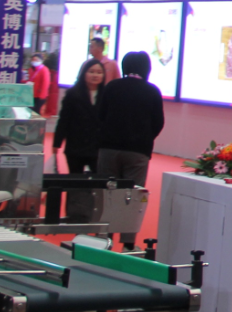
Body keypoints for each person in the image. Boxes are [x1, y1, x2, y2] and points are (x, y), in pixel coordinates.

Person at [95, 51, 164, 250]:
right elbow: (158, 122)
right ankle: (128, 243)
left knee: (108, 193)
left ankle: (104, 238)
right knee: (133, 196)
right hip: (138, 151)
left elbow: (100, 115)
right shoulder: (152, 91)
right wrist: (145, 138)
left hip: (109, 148)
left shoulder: (112, 87)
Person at [53, 60, 105, 174]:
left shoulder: (107, 94)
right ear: (84, 73)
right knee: (75, 179)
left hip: (97, 147)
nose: (95, 75)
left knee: (99, 180)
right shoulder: (72, 94)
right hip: (76, 145)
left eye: (99, 72)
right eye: (91, 72)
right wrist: (57, 142)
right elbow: (64, 120)